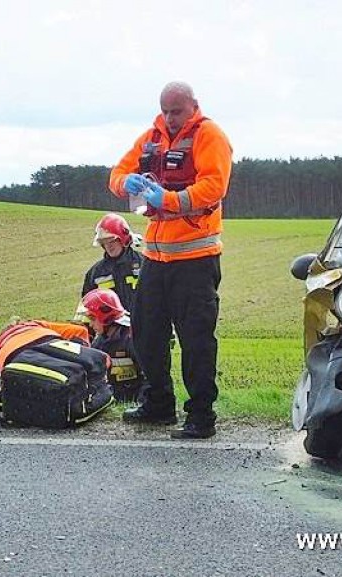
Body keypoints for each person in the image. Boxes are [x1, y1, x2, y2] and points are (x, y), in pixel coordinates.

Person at [107, 81, 232, 439]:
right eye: (165, 111)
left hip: (196, 258)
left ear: (194, 106)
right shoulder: (151, 137)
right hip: (156, 257)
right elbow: (116, 174)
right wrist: (126, 183)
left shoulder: (210, 135)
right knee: (146, 333)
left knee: (196, 340)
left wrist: (170, 200)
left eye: (176, 111)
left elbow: (214, 186)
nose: (170, 118)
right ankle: (159, 403)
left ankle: (201, 415)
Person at [76, 288, 145, 402]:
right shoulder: (100, 341)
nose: (91, 324)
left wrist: (143, 401)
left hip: (134, 394)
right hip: (114, 395)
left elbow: (150, 376)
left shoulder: (131, 338)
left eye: (92, 318)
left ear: (106, 316)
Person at [82, 213, 143, 313]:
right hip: (112, 322)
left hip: (142, 321)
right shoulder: (95, 273)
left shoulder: (144, 264)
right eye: (104, 242)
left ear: (123, 239)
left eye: (112, 241)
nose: (108, 246)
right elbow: (88, 307)